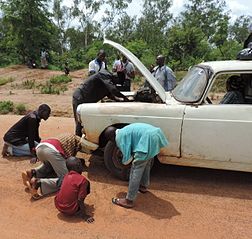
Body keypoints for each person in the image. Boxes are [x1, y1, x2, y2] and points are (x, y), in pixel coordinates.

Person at [104, 123, 169, 208]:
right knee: (146, 163)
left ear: (112, 138)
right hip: (155, 134)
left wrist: (124, 167)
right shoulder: (124, 130)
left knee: (136, 168)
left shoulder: (119, 138)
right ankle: (143, 186)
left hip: (147, 139)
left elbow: (127, 160)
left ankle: (129, 200)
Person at [21, 134, 84, 200]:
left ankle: (31, 173)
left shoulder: (68, 137)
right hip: (51, 152)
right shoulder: (76, 142)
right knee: (68, 179)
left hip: (40, 148)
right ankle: (38, 184)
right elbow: (68, 161)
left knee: (50, 167)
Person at [72, 69, 129, 136]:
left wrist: (119, 100)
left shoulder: (108, 81)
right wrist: (124, 97)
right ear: (116, 77)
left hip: (88, 101)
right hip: (81, 97)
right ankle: (76, 142)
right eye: (117, 82)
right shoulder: (104, 74)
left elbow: (110, 94)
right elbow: (113, 90)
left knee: (88, 120)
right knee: (80, 121)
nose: (116, 84)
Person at [54, 156, 94, 223]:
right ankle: (77, 210)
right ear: (78, 166)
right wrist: (84, 216)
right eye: (81, 164)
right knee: (86, 185)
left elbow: (59, 188)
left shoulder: (64, 177)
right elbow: (80, 199)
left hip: (58, 206)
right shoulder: (82, 180)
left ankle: (70, 204)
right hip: (70, 210)